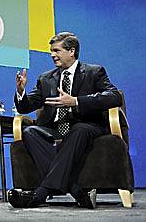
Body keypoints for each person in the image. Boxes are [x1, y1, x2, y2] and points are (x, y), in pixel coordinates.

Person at [8, 32, 122, 209]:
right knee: (30, 131)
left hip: (86, 126)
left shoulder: (94, 72)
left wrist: (76, 101)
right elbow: (25, 107)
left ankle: (39, 194)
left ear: (71, 51)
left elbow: (114, 97)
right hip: (56, 129)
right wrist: (20, 92)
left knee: (79, 130)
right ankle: (77, 191)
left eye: (56, 50)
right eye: (51, 51)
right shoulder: (46, 78)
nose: (52, 55)